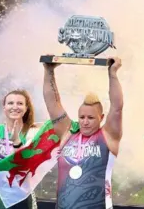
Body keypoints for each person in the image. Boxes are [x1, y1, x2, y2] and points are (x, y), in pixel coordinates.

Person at [42, 57, 123, 209]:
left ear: (101, 118)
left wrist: (112, 74)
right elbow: (52, 104)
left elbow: (117, 107)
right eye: (82, 117)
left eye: (91, 118)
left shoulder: (108, 136)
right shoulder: (68, 133)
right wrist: (49, 71)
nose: (85, 122)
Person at [0, 89, 40, 209]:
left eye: (20, 103)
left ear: (26, 108)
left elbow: (28, 167)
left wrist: (17, 141)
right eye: (10, 103)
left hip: (21, 196)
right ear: (4, 107)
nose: (15, 107)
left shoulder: (33, 133)